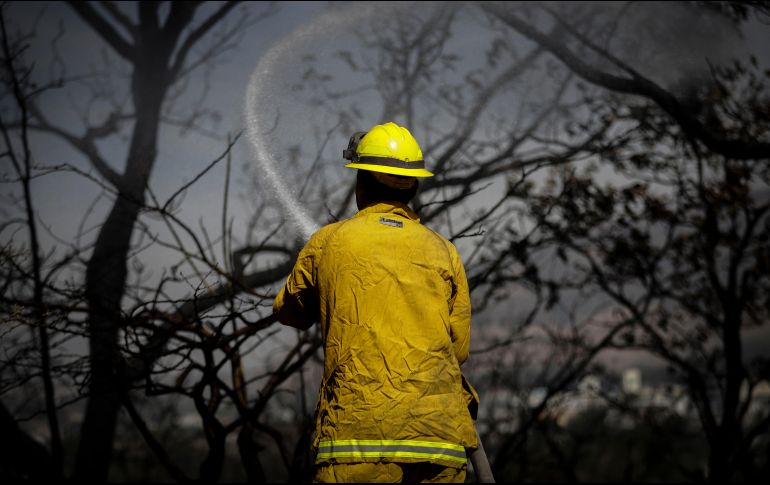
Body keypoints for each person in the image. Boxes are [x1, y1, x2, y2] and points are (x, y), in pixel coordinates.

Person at [273, 122, 478, 483]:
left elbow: (288, 312)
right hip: (439, 438)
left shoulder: (328, 242)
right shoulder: (444, 250)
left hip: (357, 441)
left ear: (361, 182)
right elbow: (458, 349)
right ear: (413, 185)